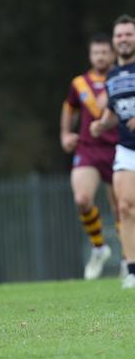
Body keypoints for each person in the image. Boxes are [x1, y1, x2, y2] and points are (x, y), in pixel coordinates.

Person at [60, 34, 119, 280]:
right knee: (82, 199)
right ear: (90, 55)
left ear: (112, 54)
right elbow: (69, 108)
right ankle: (99, 248)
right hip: (88, 148)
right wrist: (65, 134)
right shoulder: (80, 83)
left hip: (120, 148)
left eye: (104, 52)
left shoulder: (123, 78)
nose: (100, 56)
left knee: (122, 209)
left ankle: (129, 259)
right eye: (96, 52)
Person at [91, 14, 135, 289]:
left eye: (128, 34)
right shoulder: (113, 75)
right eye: (119, 35)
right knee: (125, 207)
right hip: (126, 148)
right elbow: (114, 112)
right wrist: (101, 124)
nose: (124, 39)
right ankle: (131, 268)